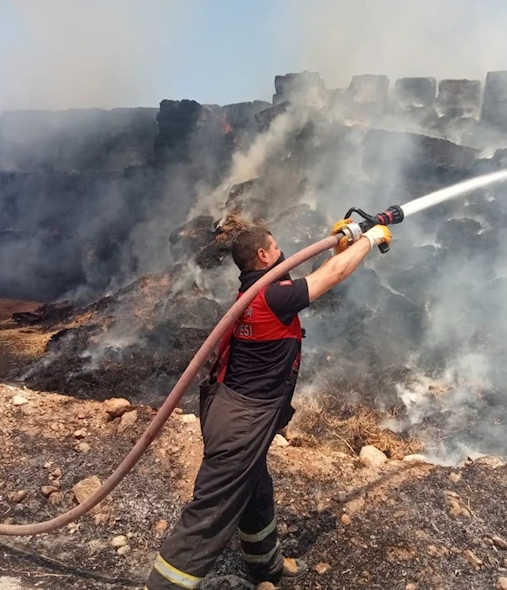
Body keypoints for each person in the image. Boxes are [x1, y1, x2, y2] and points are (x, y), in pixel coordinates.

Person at [145, 220, 392, 589]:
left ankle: (266, 567)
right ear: (263, 255)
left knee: (255, 489)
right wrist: (370, 239)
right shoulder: (273, 298)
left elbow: (319, 272)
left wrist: (341, 246)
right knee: (211, 512)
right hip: (243, 419)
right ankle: (163, 585)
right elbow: (334, 276)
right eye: (276, 248)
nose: (283, 252)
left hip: (232, 408)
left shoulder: (255, 292)